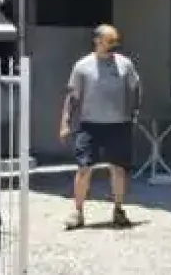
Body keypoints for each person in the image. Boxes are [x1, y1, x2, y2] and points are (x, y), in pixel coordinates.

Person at [59, 24, 142, 230]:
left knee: (119, 169)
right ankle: (77, 212)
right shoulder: (82, 66)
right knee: (84, 168)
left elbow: (136, 88)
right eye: (109, 41)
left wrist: (134, 112)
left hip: (119, 125)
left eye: (116, 42)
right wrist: (65, 122)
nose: (114, 45)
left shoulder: (125, 65)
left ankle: (119, 210)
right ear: (97, 41)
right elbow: (72, 97)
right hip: (90, 125)